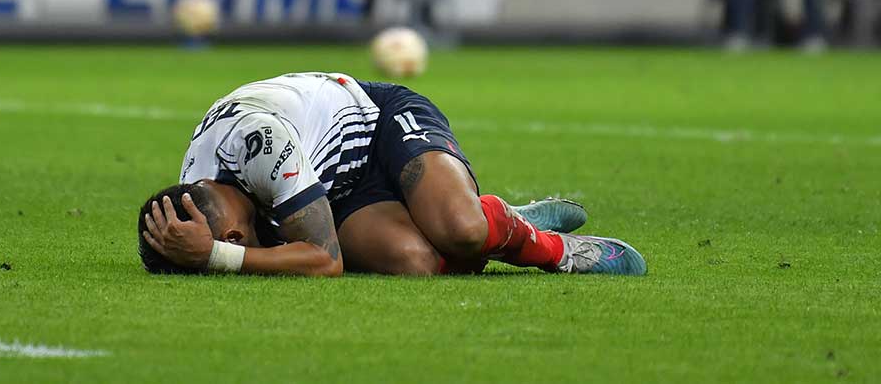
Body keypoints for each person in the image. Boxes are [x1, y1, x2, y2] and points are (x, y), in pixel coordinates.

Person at [138, 72, 646, 277]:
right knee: (417, 261)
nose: (234, 241)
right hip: (334, 188)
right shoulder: (201, 188)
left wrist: (216, 258)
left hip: (379, 121)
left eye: (229, 240)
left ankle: (545, 244)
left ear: (226, 232)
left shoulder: (260, 143)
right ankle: (491, 217)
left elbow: (324, 260)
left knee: (462, 232)